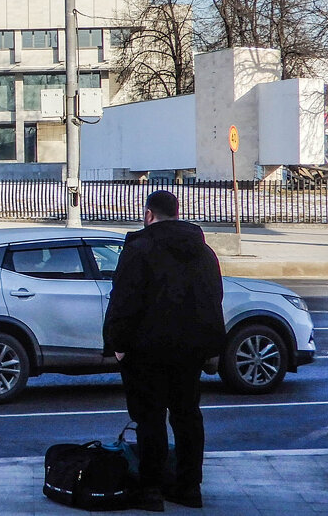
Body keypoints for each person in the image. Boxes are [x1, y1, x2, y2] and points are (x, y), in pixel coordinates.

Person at [103, 190, 225, 511]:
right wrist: (210, 346)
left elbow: (124, 300)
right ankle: (189, 487)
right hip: (190, 350)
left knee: (150, 419)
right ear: (177, 212)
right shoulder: (203, 252)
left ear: (148, 214)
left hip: (147, 351)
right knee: (187, 417)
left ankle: (151, 490)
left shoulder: (139, 249)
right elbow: (213, 298)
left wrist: (117, 344)